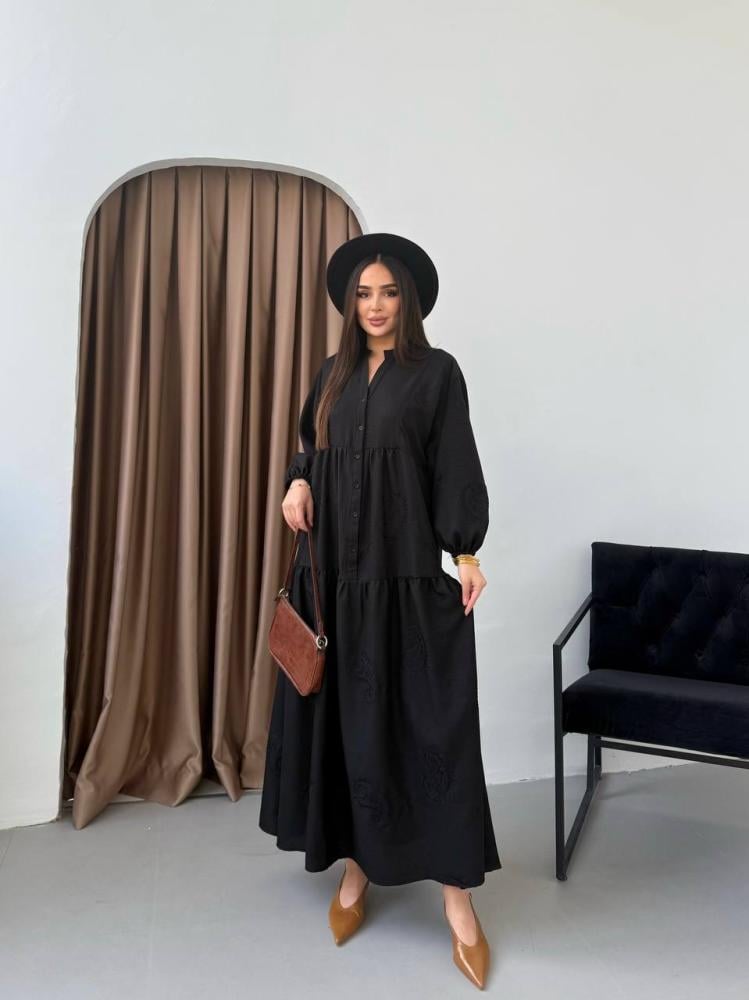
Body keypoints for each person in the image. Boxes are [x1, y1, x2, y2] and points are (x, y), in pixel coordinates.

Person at [259, 232, 500, 989]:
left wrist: (465, 552)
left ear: (409, 300)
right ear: (348, 303)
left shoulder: (436, 373)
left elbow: (454, 465)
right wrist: (298, 482)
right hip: (332, 586)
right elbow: (311, 446)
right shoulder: (331, 375)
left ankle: (457, 901)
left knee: (429, 732)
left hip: (402, 583)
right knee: (348, 730)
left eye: (388, 293)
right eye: (363, 294)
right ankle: (356, 871)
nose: (375, 306)